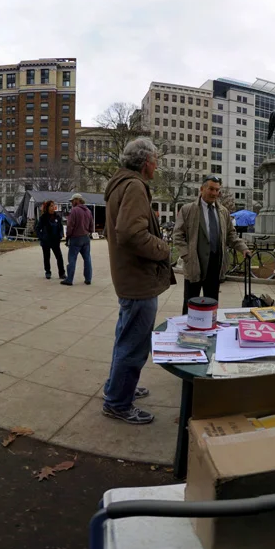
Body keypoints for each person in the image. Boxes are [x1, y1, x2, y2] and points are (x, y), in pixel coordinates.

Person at [102, 138, 175, 425]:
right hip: (138, 281)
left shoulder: (120, 184)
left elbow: (115, 231)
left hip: (130, 277)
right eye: (156, 160)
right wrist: (163, 248)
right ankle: (118, 403)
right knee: (134, 344)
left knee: (125, 338)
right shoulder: (134, 186)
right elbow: (130, 234)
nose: (157, 165)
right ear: (146, 163)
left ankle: (117, 388)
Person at [176, 177, 250, 314]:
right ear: (202, 189)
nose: (214, 193)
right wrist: (187, 255)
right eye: (211, 189)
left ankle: (210, 330)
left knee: (211, 304)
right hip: (194, 264)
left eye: (217, 190)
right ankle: (186, 331)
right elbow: (178, 235)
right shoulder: (188, 210)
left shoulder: (223, 212)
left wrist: (243, 248)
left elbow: (231, 235)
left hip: (215, 266)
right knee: (190, 304)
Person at [62, 193, 95, 286]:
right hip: (86, 237)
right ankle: (88, 279)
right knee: (87, 259)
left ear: (77, 200)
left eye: (72, 201)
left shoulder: (74, 211)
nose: (71, 203)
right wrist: (89, 232)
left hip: (76, 238)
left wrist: (68, 237)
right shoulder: (88, 211)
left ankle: (69, 279)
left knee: (72, 259)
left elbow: (70, 226)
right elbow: (92, 225)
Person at [36, 199, 67, 280]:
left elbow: (60, 228)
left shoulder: (57, 217)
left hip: (55, 241)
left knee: (59, 257)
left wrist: (60, 235)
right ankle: (48, 272)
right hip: (46, 241)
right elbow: (37, 228)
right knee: (46, 257)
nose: (53, 207)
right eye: (51, 206)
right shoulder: (43, 217)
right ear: (47, 207)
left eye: (54, 206)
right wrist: (41, 237)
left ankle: (62, 273)